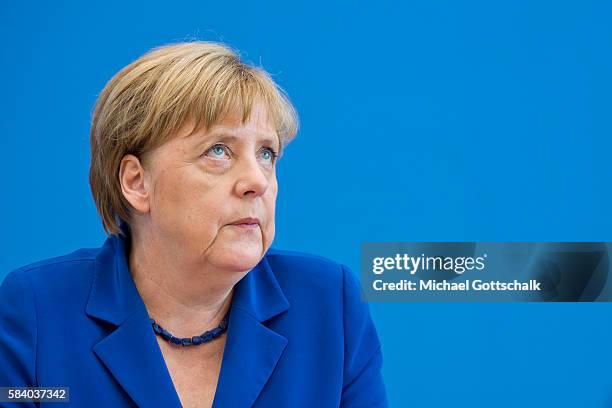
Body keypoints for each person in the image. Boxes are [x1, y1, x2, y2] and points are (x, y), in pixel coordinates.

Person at [0, 41, 387, 407]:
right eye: (218, 150)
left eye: (266, 153)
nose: (258, 181)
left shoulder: (329, 306)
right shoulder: (37, 311)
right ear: (137, 183)